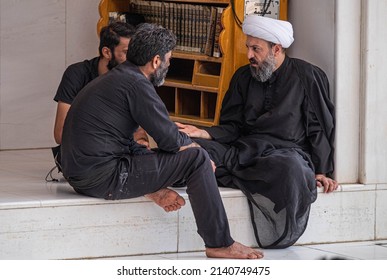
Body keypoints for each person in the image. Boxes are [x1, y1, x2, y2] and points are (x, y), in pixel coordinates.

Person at [60, 23, 263, 259]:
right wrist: (200, 152)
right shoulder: (137, 84)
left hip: (81, 174)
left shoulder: (120, 77)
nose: (168, 65)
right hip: (101, 177)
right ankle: (219, 243)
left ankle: (153, 189)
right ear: (156, 61)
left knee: (147, 149)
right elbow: (170, 140)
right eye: (168, 60)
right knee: (196, 158)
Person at [176, 15, 338, 249]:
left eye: (256, 49)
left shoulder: (307, 76)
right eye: (248, 48)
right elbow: (232, 127)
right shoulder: (243, 76)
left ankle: (222, 172)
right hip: (243, 151)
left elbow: (319, 128)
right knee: (184, 145)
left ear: (277, 49)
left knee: (292, 170)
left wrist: (322, 170)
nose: (249, 55)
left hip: (283, 156)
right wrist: (204, 134)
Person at [50, 21, 148, 177]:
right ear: (107, 52)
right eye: (127, 52)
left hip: (120, 151)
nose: (134, 60)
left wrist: (141, 142)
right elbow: (61, 134)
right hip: (84, 155)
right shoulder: (77, 74)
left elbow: (140, 131)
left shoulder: (134, 78)